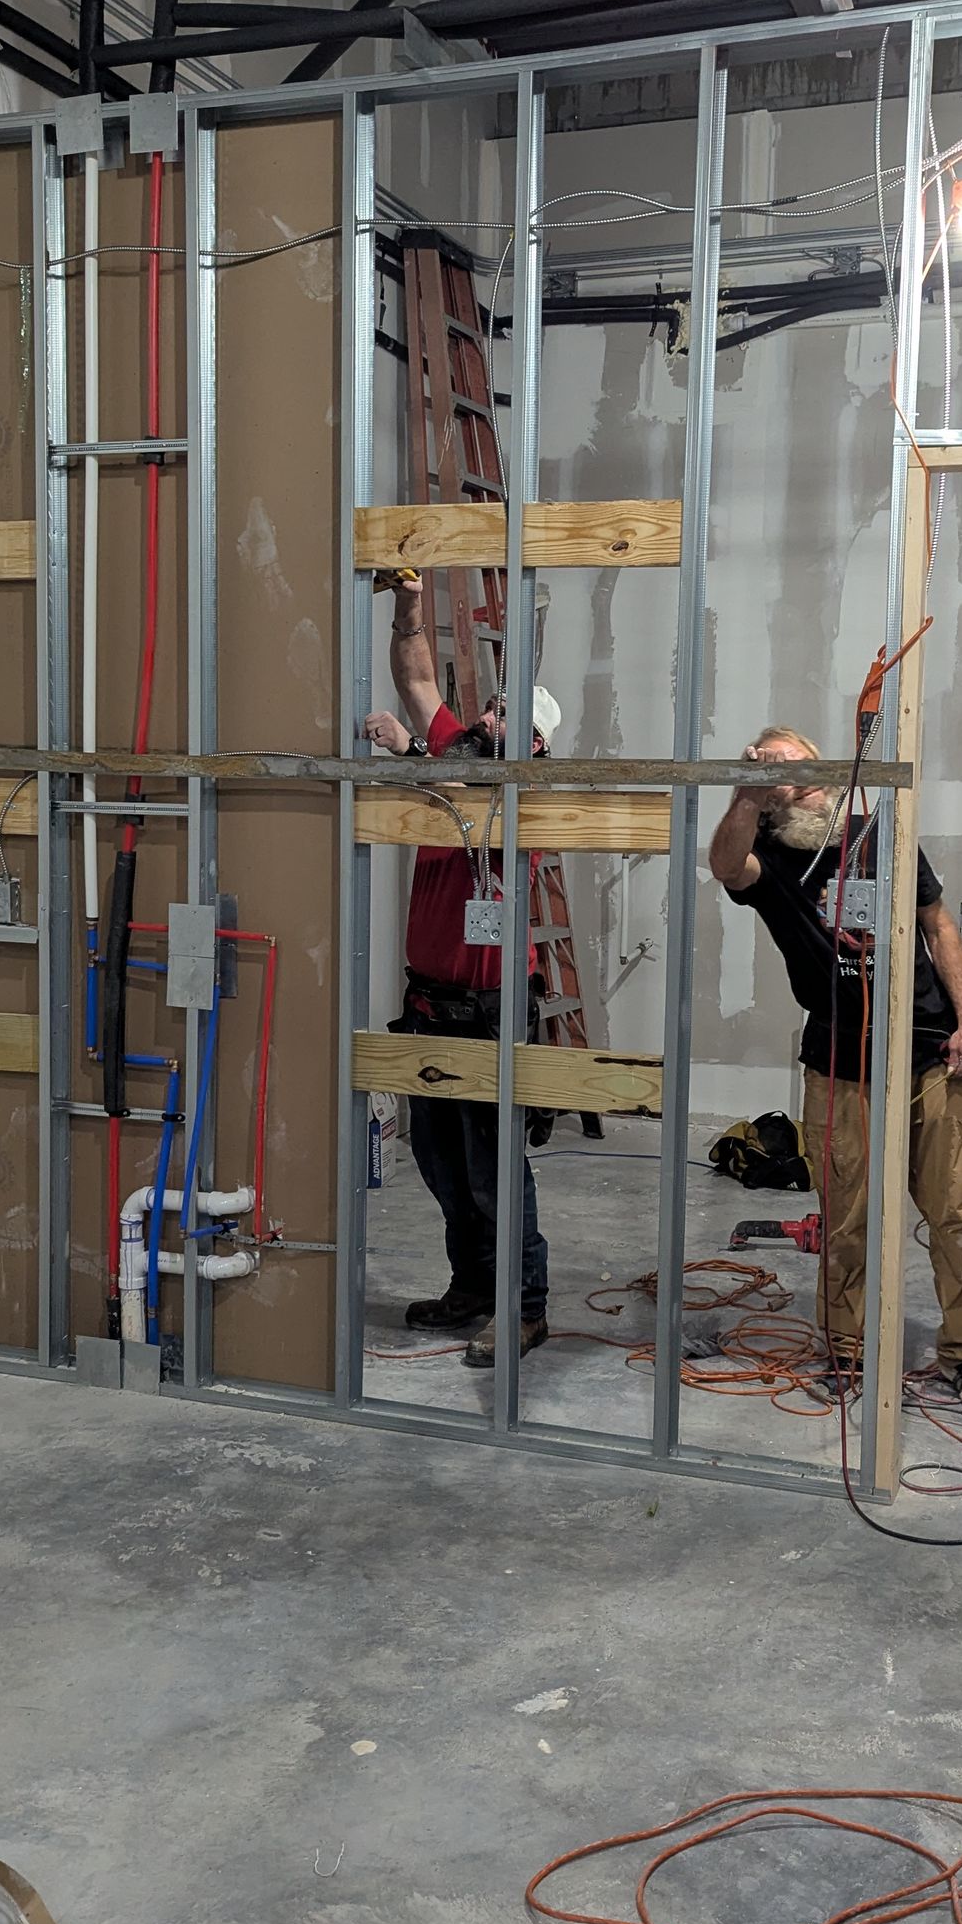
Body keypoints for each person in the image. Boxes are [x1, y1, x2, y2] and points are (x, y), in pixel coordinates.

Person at [707, 724, 962, 1415]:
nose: (800, 775)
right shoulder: (765, 856)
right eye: (778, 769)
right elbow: (725, 865)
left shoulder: (884, 835)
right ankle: (847, 1353)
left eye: (804, 761)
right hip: (841, 1061)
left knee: (955, 1212)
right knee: (847, 1217)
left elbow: (939, 926)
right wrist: (744, 797)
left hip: (928, 1050)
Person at [361, 572, 562, 1371]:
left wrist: (411, 753)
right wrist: (408, 602)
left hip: (490, 1007)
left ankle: (525, 1307)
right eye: (488, 709)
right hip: (430, 1003)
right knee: (442, 1164)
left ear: (535, 749)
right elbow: (414, 671)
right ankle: (473, 1288)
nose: (485, 718)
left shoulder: (533, 798)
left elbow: (467, 801)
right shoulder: (454, 758)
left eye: (504, 718)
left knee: (492, 1171)